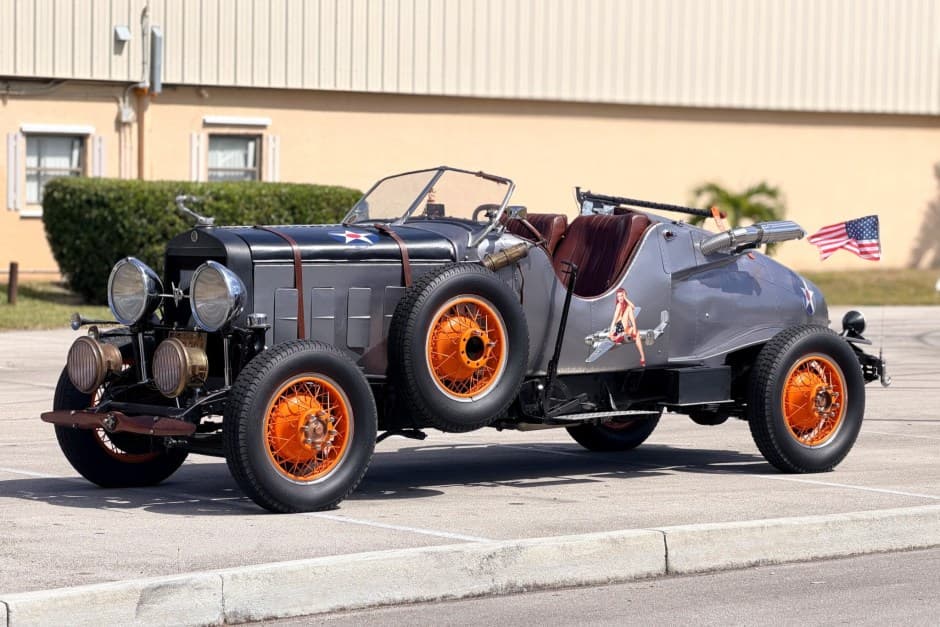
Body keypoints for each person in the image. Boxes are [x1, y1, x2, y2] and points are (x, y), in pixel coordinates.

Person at [608, 288, 646, 366]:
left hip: (626, 329)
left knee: (637, 334)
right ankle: (633, 331)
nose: (620, 298)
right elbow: (614, 319)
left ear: (624, 295)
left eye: (622, 296)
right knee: (629, 310)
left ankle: (642, 357)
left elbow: (633, 307)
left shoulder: (626, 305)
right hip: (620, 330)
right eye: (618, 297)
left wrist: (625, 298)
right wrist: (611, 331)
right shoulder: (618, 306)